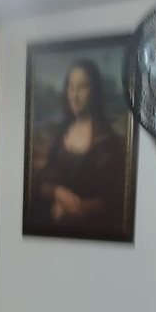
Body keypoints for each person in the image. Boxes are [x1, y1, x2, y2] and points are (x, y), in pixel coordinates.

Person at [31, 59, 126, 231]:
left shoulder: (106, 141)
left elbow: (112, 200)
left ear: (94, 91)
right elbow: (42, 181)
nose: (75, 95)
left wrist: (77, 210)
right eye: (71, 87)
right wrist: (58, 192)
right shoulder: (61, 133)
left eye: (82, 87)